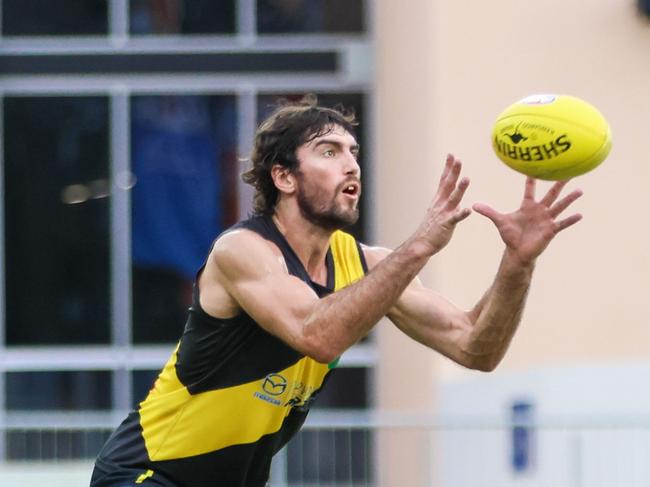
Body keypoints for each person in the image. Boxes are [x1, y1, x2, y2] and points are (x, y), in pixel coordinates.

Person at [90, 96, 583, 487]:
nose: (351, 165)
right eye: (329, 152)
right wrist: (419, 248)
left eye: (353, 153)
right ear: (283, 177)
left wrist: (518, 262)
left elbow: (475, 345)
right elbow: (317, 334)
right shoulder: (243, 250)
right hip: (145, 475)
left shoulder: (364, 264)